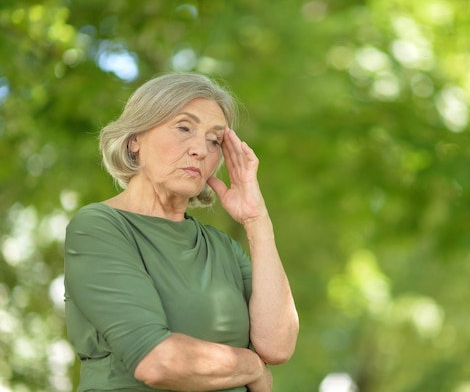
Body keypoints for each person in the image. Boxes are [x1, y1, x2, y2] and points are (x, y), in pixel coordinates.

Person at [64, 72, 299, 392]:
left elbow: (278, 346)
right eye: (184, 128)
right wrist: (252, 367)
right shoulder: (99, 227)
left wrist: (257, 221)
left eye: (214, 140)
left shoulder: (223, 248)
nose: (200, 150)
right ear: (136, 138)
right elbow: (157, 360)